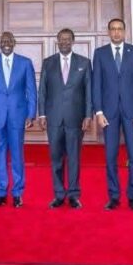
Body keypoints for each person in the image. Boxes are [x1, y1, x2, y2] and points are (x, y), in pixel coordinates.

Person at [93, 18, 133, 211]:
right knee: (110, 156)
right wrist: (99, 111)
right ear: (109, 32)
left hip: (132, 112)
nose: (116, 32)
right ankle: (114, 196)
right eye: (113, 29)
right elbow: (96, 84)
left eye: (119, 29)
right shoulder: (100, 53)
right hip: (108, 113)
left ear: (124, 31)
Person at [0, 31, 37, 208]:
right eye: (3, 41)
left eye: (9, 40)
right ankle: (1, 193)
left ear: (14, 42)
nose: (6, 43)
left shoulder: (25, 63)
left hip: (18, 116)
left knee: (17, 155)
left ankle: (18, 193)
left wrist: (31, 114)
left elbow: (31, 91)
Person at [37, 28, 92, 209]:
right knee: (56, 158)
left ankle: (74, 195)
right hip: (53, 119)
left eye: (68, 39)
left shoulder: (84, 63)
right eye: (61, 39)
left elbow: (89, 91)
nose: (64, 42)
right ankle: (59, 194)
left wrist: (88, 115)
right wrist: (42, 114)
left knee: (74, 158)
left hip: (76, 118)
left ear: (73, 41)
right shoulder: (48, 63)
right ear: (57, 41)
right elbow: (42, 91)